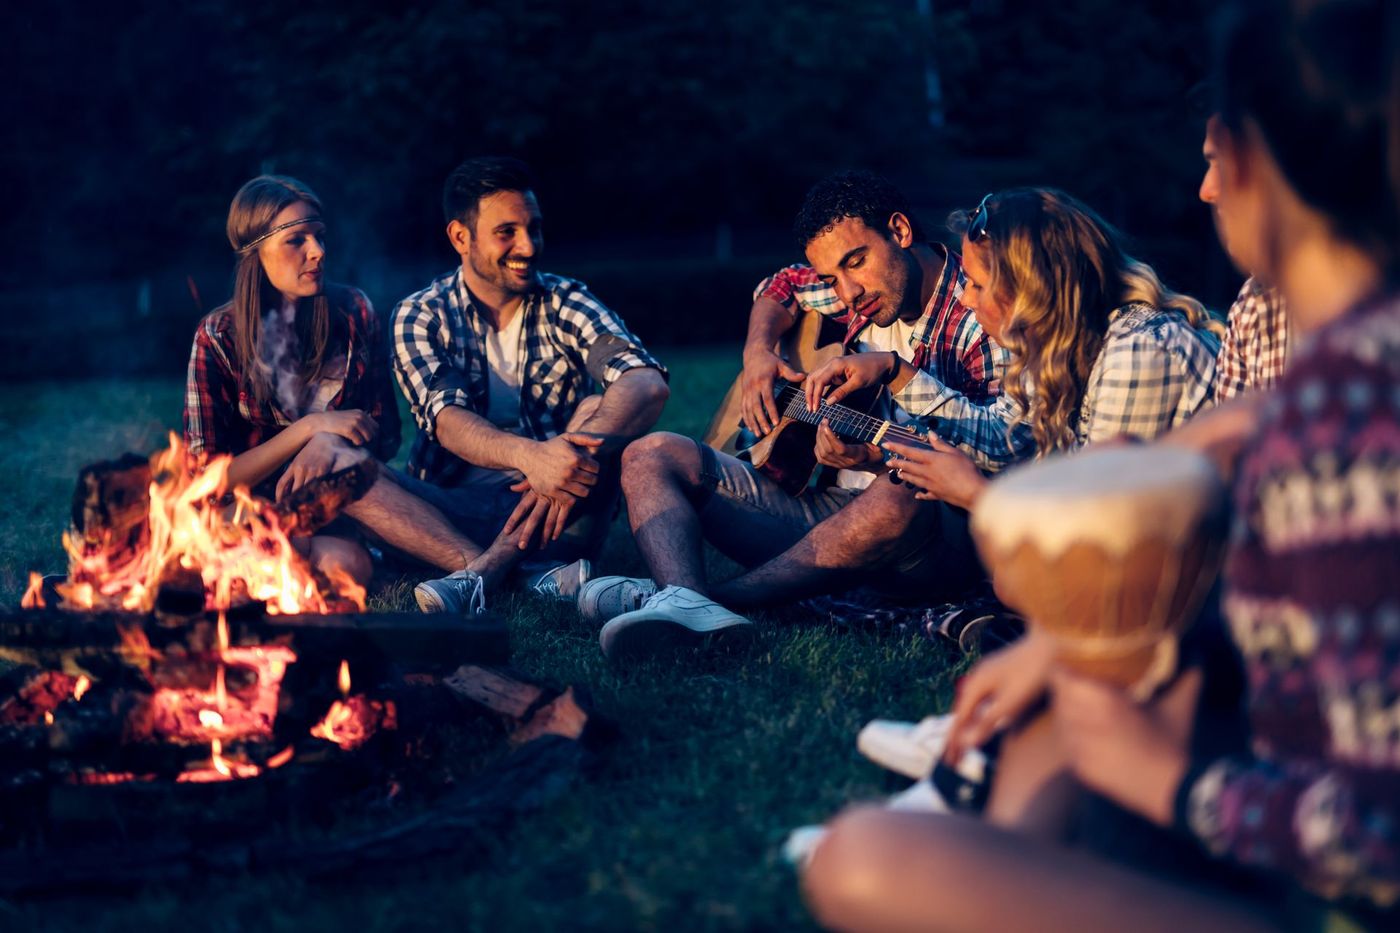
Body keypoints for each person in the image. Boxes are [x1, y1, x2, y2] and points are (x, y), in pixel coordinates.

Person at [803, 1, 1400, 928]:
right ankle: (1002, 806)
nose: (1203, 189)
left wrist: (1166, 779)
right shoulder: (1288, 340)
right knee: (1075, 687)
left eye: (1212, 157)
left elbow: (1375, 837)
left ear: (1257, 161)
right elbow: (1214, 462)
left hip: (1314, 871)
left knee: (862, 863)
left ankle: (1005, 821)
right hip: (1247, 713)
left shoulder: (1337, 407)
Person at [585, 171, 1009, 659]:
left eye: (856, 262)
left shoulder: (978, 316)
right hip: (824, 510)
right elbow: (781, 284)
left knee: (902, 486)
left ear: (900, 231)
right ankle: (685, 599)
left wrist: (872, 458)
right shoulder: (860, 289)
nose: (848, 294)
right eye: (832, 279)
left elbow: (991, 458)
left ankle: (703, 602)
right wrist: (757, 354)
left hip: (922, 537)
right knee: (648, 455)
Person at [185, 175, 499, 598]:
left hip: (336, 507)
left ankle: (484, 572)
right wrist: (310, 430)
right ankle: (491, 570)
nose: (318, 252)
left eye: (319, 236)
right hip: (248, 515)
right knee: (337, 563)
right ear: (255, 252)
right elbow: (208, 482)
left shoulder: (352, 312)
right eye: (297, 240)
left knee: (345, 561)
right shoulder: (218, 337)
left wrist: (330, 448)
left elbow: (385, 436)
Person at [391, 156, 669, 612]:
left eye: (533, 228)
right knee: (341, 465)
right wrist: (531, 457)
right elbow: (448, 423)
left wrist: (558, 461)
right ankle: (526, 577)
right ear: (461, 237)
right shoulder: (421, 314)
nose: (528, 245)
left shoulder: (566, 300)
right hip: (448, 507)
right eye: (507, 232)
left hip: (562, 510)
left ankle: (479, 575)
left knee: (596, 407)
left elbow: (645, 382)